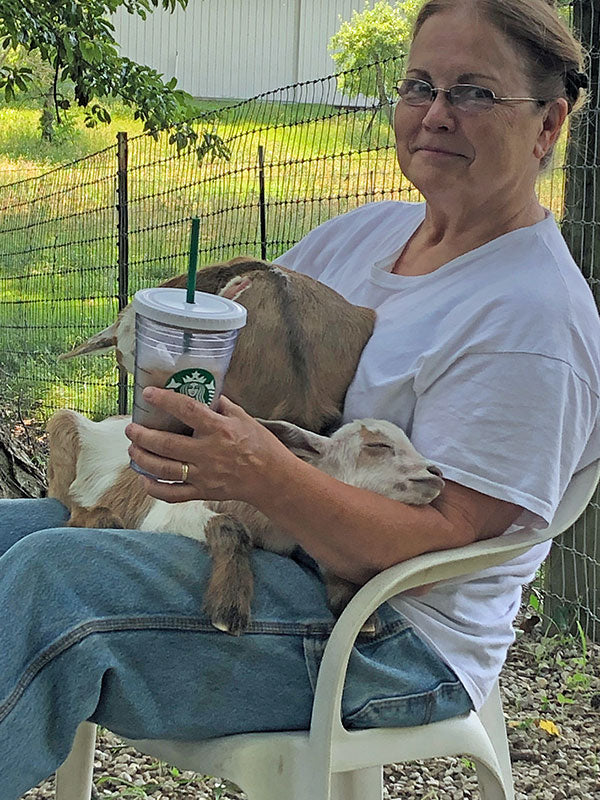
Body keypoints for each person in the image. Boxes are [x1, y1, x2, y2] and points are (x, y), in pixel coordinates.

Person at [1, 0, 598, 797]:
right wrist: (179, 356)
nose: (435, 114)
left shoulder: (532, 319)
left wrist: (261, 474)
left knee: (51, 580)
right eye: (420, 85)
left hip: (386, 636)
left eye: (475, 92)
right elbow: (236, 348)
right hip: (257, 542)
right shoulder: (368, 232)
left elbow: (434, 547)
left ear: (549, 124)